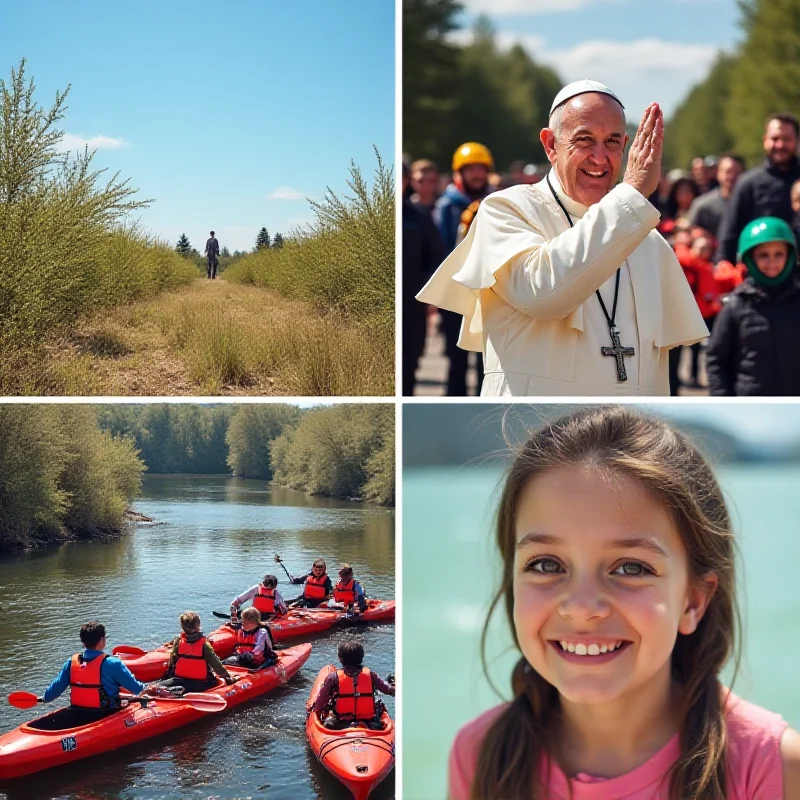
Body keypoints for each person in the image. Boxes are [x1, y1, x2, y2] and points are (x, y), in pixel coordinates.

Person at [447, 405, 800, 799]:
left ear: (694, 601)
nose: (581, 606)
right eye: (546, 563)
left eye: (631, 568)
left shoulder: (771, 767)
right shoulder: (478, 755)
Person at [417, 80, 707, 396]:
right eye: (584, 139)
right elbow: (542, 293)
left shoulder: (648, 241)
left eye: (612, 142)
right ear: (551, 144)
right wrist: (632, 195)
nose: (600, 158)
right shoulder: (506, 210)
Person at [706, 217, 800, 396]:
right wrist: (724, 404)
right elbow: (717, 361)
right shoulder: (736, 305)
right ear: (750, 257)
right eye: (763, 255)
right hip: (750, 410)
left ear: (790, 255)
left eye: (778, 254)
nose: (772, 262)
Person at [434, 142, 494, 396]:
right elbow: (442, 250)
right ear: (459, 173)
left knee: (487, 362)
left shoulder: (496, 202)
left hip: (488, 292)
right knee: (457, 361)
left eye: (481, 169)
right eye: (471, 169)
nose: (477, 174)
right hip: (457, 290)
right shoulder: (447, 207)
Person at [716, 113, 800, 264]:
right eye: (775, 139)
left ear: (797, 141)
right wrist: (724, 265)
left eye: (786, 139)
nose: (780, 145)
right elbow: (729, 233)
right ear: (765, 140)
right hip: (761, 276)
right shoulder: (747, 183)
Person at [37, 621, 151, 726]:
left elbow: (56, 687)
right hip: (105, 714)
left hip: (78, 713)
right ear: (101, 640)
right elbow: (136, 688)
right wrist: (148, 688)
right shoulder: (112, 663)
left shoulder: (71, 663)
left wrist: (45, 698)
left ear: (83, 642)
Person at [403, 161, 445, 395]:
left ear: (406, 180)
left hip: (414, 304)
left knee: (411, 360)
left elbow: (435, 258)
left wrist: (432, 297)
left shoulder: (419, 217)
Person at [312, 640, 395, 730]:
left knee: (328, 722)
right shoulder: (371, 675)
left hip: (340, 723)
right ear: (361, 658)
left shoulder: (333, 678)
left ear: (340, 658)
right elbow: (387, 690)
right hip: (369, 722)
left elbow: (321, 702)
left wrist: (314, 711)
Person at [159, 611, 235, 693]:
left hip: (181, 681)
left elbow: (172, 662)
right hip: (201, 683)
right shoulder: (204, 644)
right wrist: (227, 676)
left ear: (182, 626)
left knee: (157, 686)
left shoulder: (178, 642)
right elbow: (215, 663)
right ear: (198, 625)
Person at [687, 153, 745, 241]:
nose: (732, 176)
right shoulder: (702, 205)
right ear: (718, 173)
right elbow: (688, 232)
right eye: (728, 172)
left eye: (736, 172)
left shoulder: (751, 203)